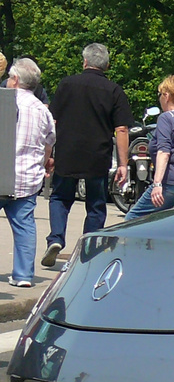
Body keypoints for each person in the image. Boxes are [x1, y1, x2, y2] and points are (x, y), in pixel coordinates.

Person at [43, 43, 134, 267]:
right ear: (107, 65)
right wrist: (123, 164)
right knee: (95, 204)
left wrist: (49, 153)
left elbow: (52, 122)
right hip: (97, 155)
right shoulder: (114, 91)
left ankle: (55, 238)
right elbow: (121, 129)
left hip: (67, 151)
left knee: (60, 198)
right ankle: (88, 250)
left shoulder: (66, 84)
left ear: (84, 62)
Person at [123, 76, 174, 221]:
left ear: (166, 96)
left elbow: (164, 152)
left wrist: (157, 184)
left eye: (160, 94)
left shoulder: (167, 118)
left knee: (132, 219)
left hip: (172, 183)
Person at [4, 59, 55, 288]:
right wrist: (45, 162)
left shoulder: (4, 103)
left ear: (15, 80)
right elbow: (49, 141)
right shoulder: (41, 110)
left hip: (2, 172)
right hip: (27, 177)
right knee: (25, 225)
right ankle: (23, 275)